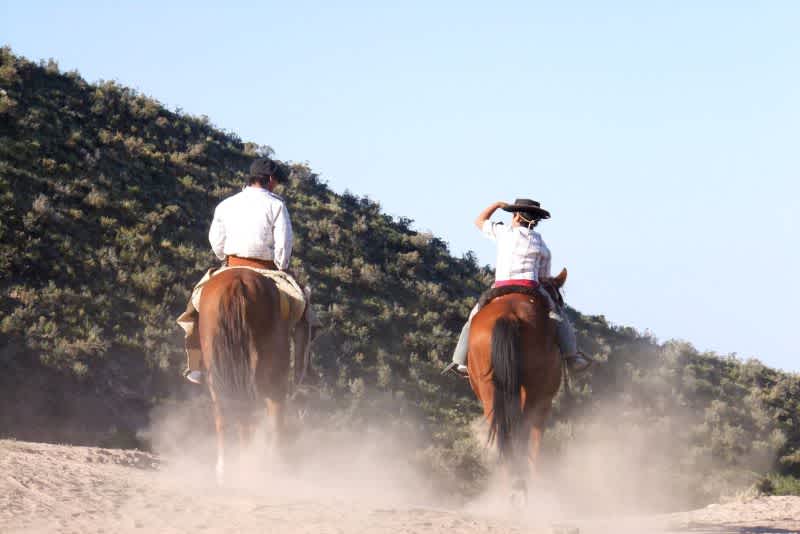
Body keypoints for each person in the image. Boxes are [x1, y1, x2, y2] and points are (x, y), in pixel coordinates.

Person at [178, 157, 317, 384]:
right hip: (267, 270)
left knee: (193, 309)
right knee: (303, 309)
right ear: (270, 180)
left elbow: (216, 241)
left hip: (231, 264)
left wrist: (227, 258)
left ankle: (195, 365)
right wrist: (281, 267)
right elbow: (284, 245)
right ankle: (303, 371)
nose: (277, 186)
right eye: (277, 182)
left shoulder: (226, 204)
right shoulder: (277, 205)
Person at [444, 198, 592, 377]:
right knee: (558, 316)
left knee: (473, 318)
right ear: (535, 221)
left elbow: (479, 221)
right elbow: (543, 278)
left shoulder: (503, 232)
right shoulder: (542, 246)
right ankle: (572, 357)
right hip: (531, 288)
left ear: (515, 216)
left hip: (499, 287)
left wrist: (497, 205)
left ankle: (461, 361)